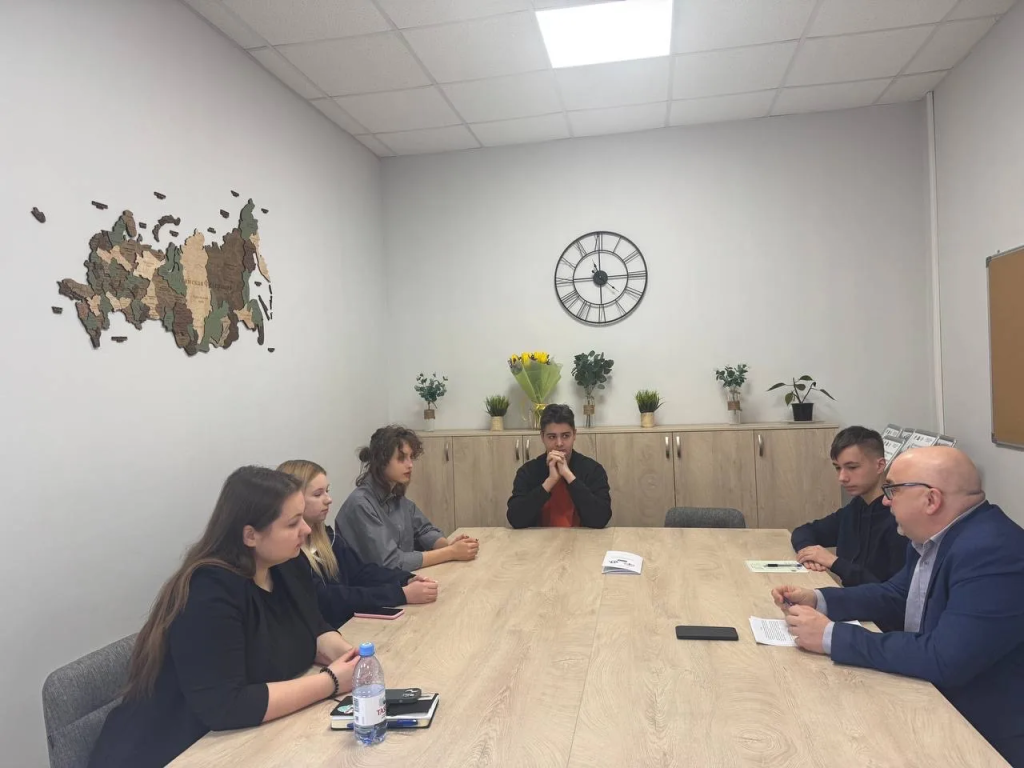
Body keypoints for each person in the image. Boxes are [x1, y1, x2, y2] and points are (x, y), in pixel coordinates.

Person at [89, 467, 359, 768]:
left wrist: (351, 658)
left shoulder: (286, 564)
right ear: (250, 535)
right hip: (169, 750)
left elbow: (314, 626)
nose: (307, 530)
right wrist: (331, 681)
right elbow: (227, 705)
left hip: (245, 740)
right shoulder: (209, 592)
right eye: (293, 523)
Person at [772, 446, 1024, 766]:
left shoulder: (992, 552)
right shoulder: (933, 536)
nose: (885, 501)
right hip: (933, 701)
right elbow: (896, 595)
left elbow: (944, 658)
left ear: (931, 500)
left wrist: (830, 636)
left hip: (982, 736)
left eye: (893, 490)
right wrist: (820, 599)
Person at [278, 459, 438, 627]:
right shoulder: (289, 554)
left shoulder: (328, 537)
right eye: (318, 494)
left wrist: (405, 579)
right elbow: (329, 599)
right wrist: (400, 594)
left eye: (327, 491)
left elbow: (360, 572)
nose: (329, 499)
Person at [336, 425, 479, 570]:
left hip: (402, 578)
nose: (410, 465)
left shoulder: (396, 496)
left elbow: (424, 529)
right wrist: (450, 552)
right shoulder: (360, 505)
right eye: (401, 458)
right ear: (381, 461)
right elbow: (391, 562)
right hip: (375, 582)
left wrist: (448, 545)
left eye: (411, 457)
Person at [791, 426, 906, 587]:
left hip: (872, 602)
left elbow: (893, 593)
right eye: (838, 468)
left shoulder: (900, 519)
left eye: (852, 467)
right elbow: (804, 531)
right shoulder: (856, 507)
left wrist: (835, 562)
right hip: (850, 598)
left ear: (880, 466)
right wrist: (809, 554)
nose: (842, 477)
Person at [507, 404, 612, 528]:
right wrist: (550, 481)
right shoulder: (528, 471)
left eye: (565, 436)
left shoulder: (593, 470)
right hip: (538, 539)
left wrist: (569, 476)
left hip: (582, 538)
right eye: (552, 437)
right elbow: (516, 520)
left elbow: (600, 519)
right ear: (542, 437)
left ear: (574, 435)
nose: (559, 443)